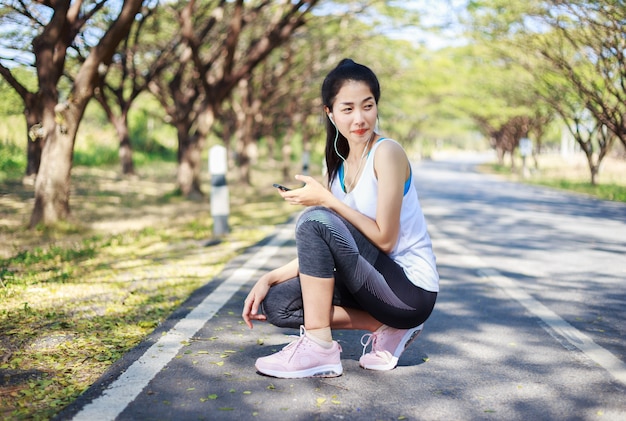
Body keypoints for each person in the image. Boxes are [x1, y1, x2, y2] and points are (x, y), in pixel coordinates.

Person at [242, 58, 439, 379]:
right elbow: (329, 243)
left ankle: (319, 347)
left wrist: (327, 201)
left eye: (368, 106)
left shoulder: (387, 153)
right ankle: (388, 327)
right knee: (278, 304)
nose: (360, 118)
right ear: (330, 113)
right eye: (347, 109)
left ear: (377, 106)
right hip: (374, 284)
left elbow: (386, 238)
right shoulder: (338, 166)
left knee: (314, 218)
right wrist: (270, 277)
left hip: (408, 291)